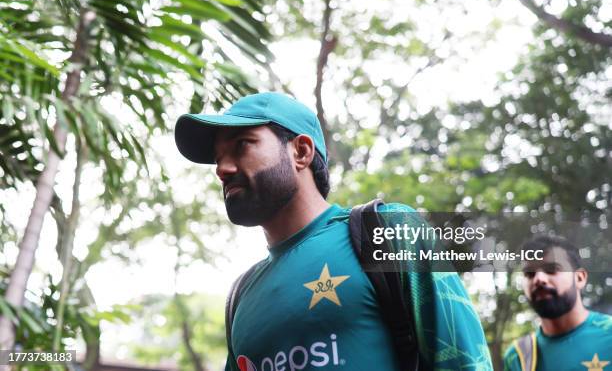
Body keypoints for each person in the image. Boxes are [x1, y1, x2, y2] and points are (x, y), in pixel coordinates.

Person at [175, 92, 492, 371]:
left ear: (301, 151)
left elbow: (465, 361)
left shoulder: (387, 231)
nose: (222, 169)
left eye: (242, 145)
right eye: (218, 158)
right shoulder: (241, 297)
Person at [504, 235, 612, 371]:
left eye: (551, 269)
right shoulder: (517, 357)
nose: (539, 279)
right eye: (529, 274)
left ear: (579, 278)